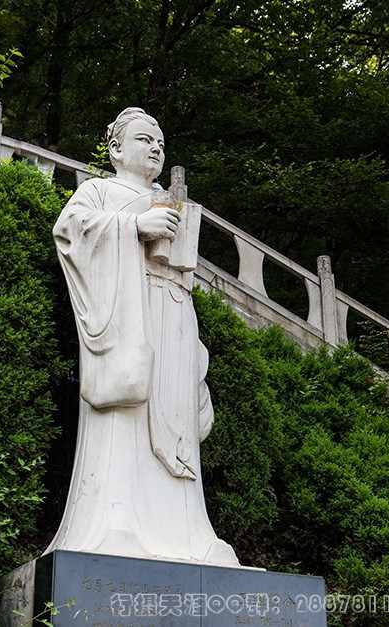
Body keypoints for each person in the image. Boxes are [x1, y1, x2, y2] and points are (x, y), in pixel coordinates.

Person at [45, 107, 238, 565]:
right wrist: (133, 226)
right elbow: (69, 232)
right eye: (144, 139)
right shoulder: (98, 191)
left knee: (177, 418)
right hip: (127, 315)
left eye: (160, 143)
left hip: (173, 312)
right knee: (126, 420)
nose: (155, 148)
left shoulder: (167, 201)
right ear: (115, 148)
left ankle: (191, 534)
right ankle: (116, 523)